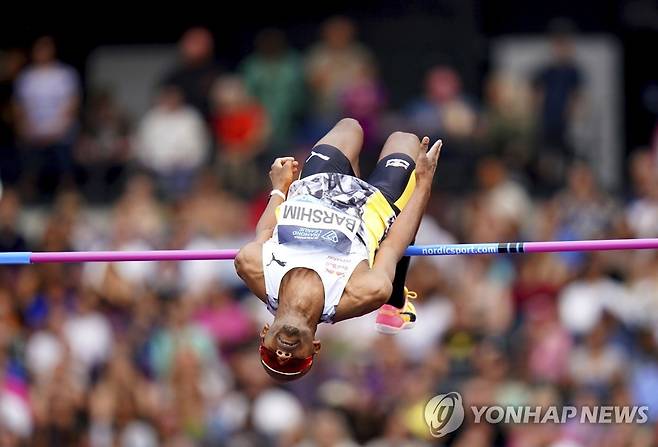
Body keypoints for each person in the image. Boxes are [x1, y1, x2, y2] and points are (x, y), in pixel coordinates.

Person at [235, 118, 442, 381]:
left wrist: (278, 189)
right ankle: (396, 299)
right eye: (293, 363)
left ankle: (350, 171)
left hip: (317, 185)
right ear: (315, 347)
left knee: (350, 127)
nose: (284, 356)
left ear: (264, 333)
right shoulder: (361, 292)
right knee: (405, 139)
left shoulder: (251, 266)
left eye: (272, 355)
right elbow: (392, 246)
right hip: (375, 204)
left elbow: (265, 232)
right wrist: (423, 183)